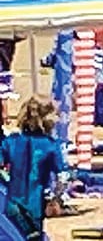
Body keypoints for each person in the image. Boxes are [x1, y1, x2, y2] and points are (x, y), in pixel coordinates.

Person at [0, 94, 63, 241]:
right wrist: (56, 199)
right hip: (35, 206)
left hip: (13, 204)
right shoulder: (51, 145)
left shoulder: (11, 142)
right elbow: (62, 177)